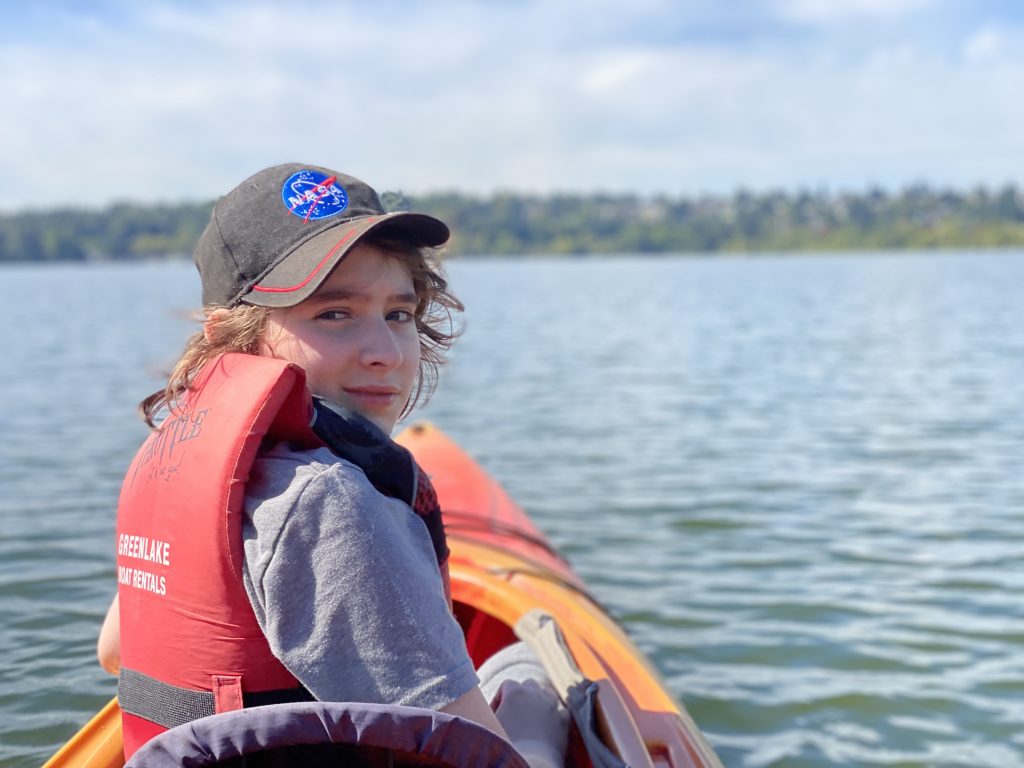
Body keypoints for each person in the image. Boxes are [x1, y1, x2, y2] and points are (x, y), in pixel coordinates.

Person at [97, 163, 566, 766]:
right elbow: (476, 756)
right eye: (334, 314)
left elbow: (115, 649)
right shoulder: (330, 502)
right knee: (533, 679)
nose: (387, 353)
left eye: (398, 314)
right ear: (229, 335)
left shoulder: (176, 466)